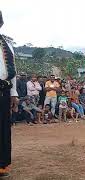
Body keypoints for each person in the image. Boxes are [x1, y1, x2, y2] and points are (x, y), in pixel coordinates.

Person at [0, 11, 19, 178]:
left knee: (3, 128)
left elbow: (12, 71)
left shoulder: (7, 44)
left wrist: (14, 94)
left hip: (4, 92)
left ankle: (1, 166)